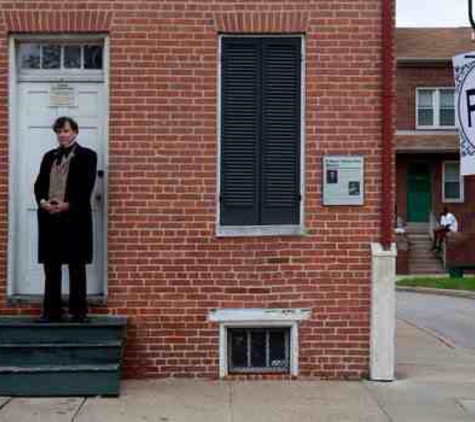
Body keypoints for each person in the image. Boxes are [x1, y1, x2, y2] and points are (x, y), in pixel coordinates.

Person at [34, 116, 97, 323]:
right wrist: (42, 202)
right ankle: (51, 311)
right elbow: (39, 183)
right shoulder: (48, 156)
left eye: (66, 131)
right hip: (50, 218)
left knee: (76, 265)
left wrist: (68, 205)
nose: (62, 135)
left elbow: (86, 186)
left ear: (75, 132)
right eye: (59, 131)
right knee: (51, 265)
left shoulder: (88, 156)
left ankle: (79, 313)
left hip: (75, 218)